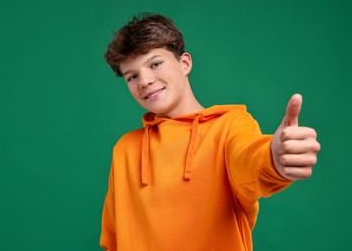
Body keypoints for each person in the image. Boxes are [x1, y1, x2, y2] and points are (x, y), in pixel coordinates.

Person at [100, 13, 320, 251]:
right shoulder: (125, 149)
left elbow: (250, 159)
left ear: (185, 63)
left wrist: (274, 159)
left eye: (155, 64)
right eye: (132, 76)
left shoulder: (230, 127)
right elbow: (114, 240)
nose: (145, 81)